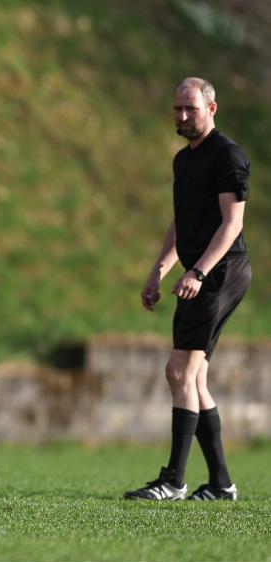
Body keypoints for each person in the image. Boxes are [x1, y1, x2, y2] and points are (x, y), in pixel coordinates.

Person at [125, 78, 251, 501]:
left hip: (221, 272)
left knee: (178, 371)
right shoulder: (183, 161)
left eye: (190, 109)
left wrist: (197, 272)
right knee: (192, 377)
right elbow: (182, 222)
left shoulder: (228, 156)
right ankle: (220, 483)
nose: (181, 117)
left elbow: (232, 224)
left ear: (211, 109)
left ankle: (173, 481)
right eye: (177, 109)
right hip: (199, 273)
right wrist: (159, 270)